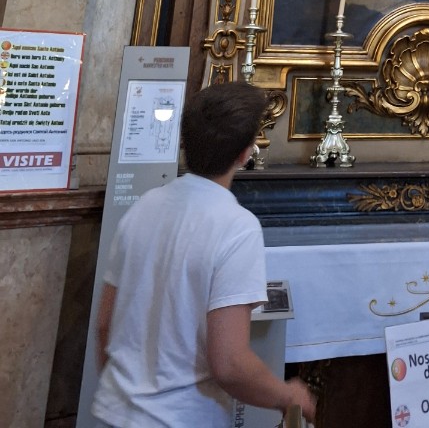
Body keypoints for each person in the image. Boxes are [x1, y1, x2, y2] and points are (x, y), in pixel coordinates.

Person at [91, 82, 316, 428]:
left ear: (185, 142)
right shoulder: (236, 227)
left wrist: (130, 401)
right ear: (245, 153)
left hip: (114, 412)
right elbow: (230, 364)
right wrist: (288, 396)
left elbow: (105, 325)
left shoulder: (143, 206)